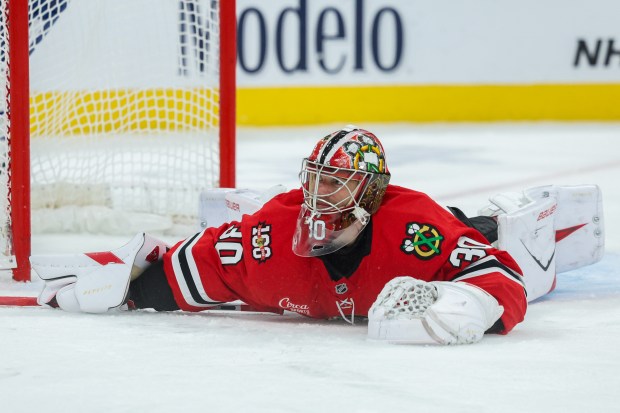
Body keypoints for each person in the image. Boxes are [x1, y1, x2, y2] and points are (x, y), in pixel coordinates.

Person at [30, 126, 605, 345]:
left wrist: (469, 303)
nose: (319, 198)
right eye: (316, 181)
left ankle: (505, 218)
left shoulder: (416, 229)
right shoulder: (270, 235)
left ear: (373, 192)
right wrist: (128, 284)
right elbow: (193, 269)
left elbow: (502, 275)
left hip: (444, 230)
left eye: (339, 183)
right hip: (272, 226)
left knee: (517, 252)